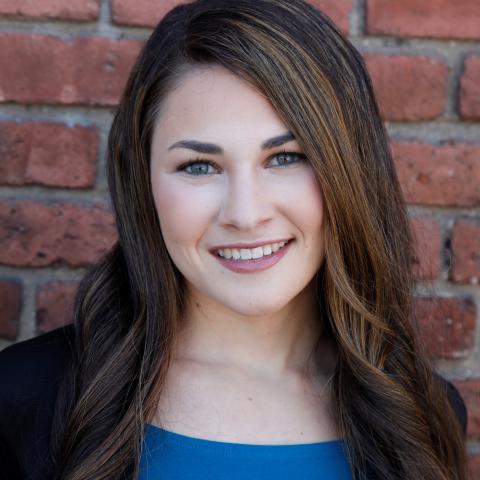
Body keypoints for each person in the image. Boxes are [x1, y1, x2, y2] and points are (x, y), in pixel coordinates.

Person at [0, 0, 468, 479]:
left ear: (350, 170)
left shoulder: (420, 415)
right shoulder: (25, 399)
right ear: (144, 185)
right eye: (199, 167)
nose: (245, 214)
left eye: (285, 158)